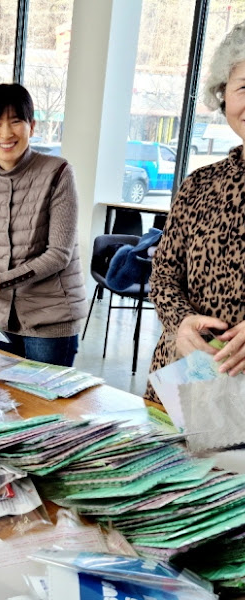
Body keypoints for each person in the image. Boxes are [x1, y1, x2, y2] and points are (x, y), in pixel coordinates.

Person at [146, 21, 245, 402]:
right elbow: (163, 273)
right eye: (244, 88)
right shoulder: (199, 184)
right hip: (184, 375)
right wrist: (181, 322)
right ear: (223, 95)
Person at [0, 83, 87, 367]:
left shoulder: (58, 172)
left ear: (32, 126)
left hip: (50, 317)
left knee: (43, 394)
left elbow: (59, 255)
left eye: (16, 121)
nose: (6, 133)